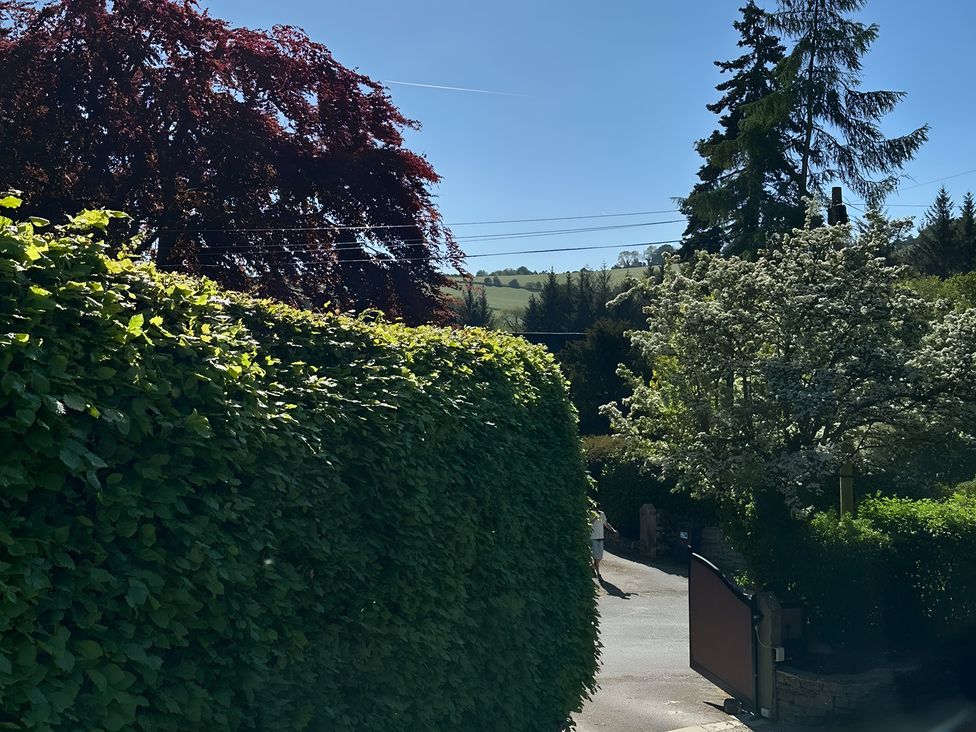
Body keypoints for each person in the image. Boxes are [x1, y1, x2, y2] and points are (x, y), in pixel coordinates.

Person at [590, 508, 616, 580]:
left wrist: (612, 530)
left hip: (601, 537)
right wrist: (595, 518)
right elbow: (589, 523)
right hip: (593, 538)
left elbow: (605, 523)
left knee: (599, 557)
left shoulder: (602, 513)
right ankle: (598, 574)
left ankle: (593, 567)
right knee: (595, 556)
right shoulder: (590, 513)